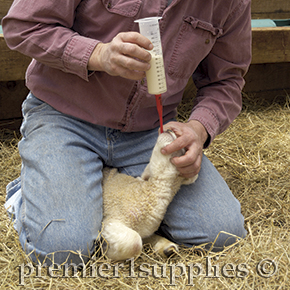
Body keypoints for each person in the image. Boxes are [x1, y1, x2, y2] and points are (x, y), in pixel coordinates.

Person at [2, 0, 251, 265]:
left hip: (150, 130)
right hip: (65, 116)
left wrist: (198, 129)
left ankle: (91, 192)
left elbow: (226, 81)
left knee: (222, 234)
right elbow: (24, 26)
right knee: (63, 251)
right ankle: (29, 192)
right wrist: (99, 54)